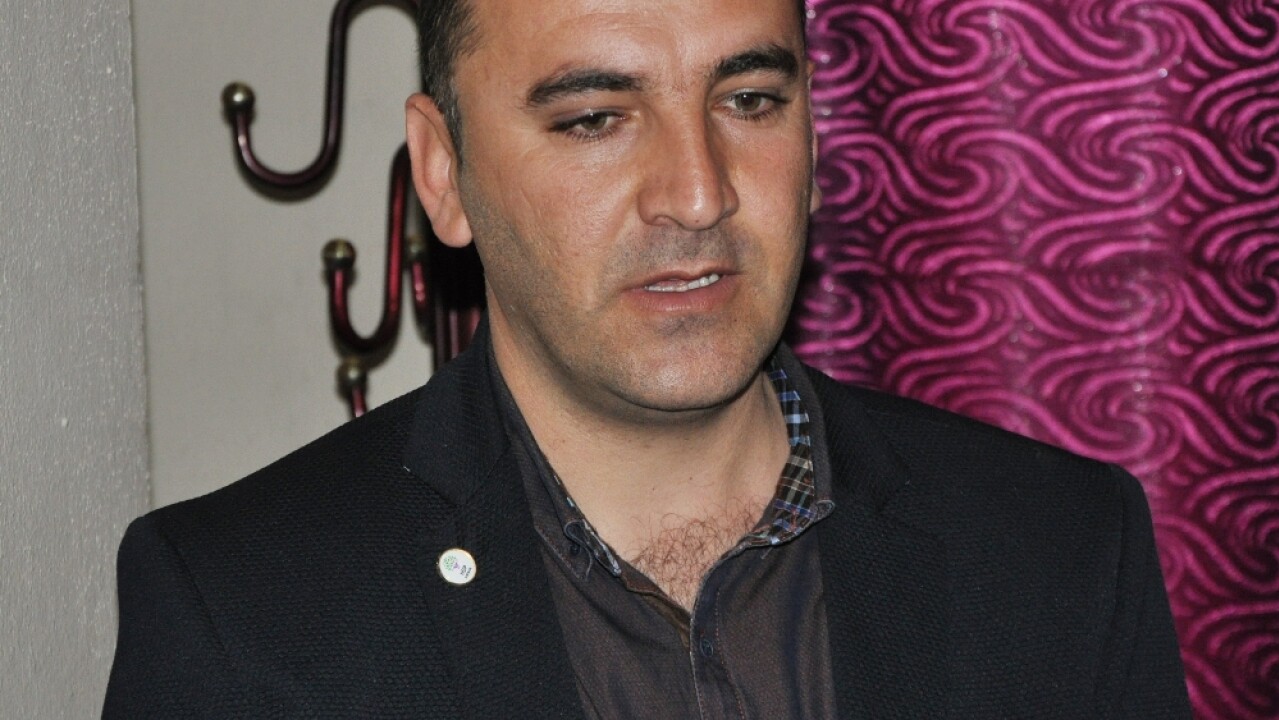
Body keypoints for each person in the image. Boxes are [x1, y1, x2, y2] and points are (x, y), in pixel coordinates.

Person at [104, 0, 1192, 717]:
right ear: (442, 171)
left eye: (750, 101)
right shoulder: (243, 614)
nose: (698, 192)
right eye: (594, 118)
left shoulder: (1060, 553)